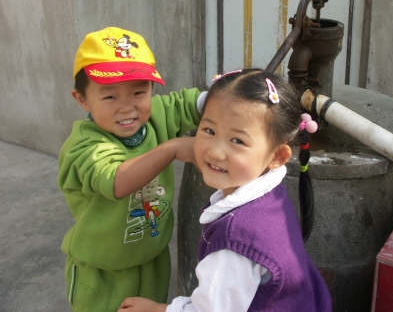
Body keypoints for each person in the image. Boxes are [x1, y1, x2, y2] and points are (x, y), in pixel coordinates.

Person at [118, 69, 332, 311]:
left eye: (237, 141)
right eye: (209, 131)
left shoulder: (234, 244)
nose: (215, 152)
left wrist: (158, 309)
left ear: (277, 156)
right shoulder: (270, 197)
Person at [58, 26, 206, 312]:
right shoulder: (84, 147)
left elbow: (187, 104)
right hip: (103, 273)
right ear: (82, 99)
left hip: (152, 260)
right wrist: (172, 148)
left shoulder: (155, 117)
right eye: (110, 97)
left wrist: (223, 97)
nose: (127, 108)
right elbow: (116, 179)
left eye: (139, 92)